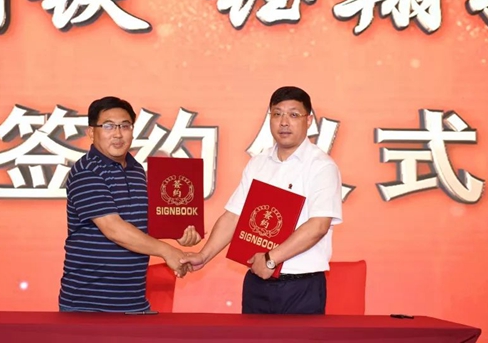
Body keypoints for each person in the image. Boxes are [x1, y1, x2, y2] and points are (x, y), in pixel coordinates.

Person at [182, 86, 342, 314]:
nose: (284, 122)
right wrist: (203, 256)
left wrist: (271, 259)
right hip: (257, 282)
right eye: (277, 114)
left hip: (301, 287)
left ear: (308, 121)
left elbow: (318, 226)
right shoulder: (258, 163)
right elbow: (234, 216)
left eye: (293, 114)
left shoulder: (321, 166)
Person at [59, 96, 200, 313]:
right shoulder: (87, 171)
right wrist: (167, 251)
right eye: (108, 126)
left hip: (133, 302)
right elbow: (113, 228)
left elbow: (139, 222)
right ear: (91, 132)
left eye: (125, 126)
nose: (118, 134)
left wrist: (175, 231)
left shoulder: (136, 170)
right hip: (88, 304)